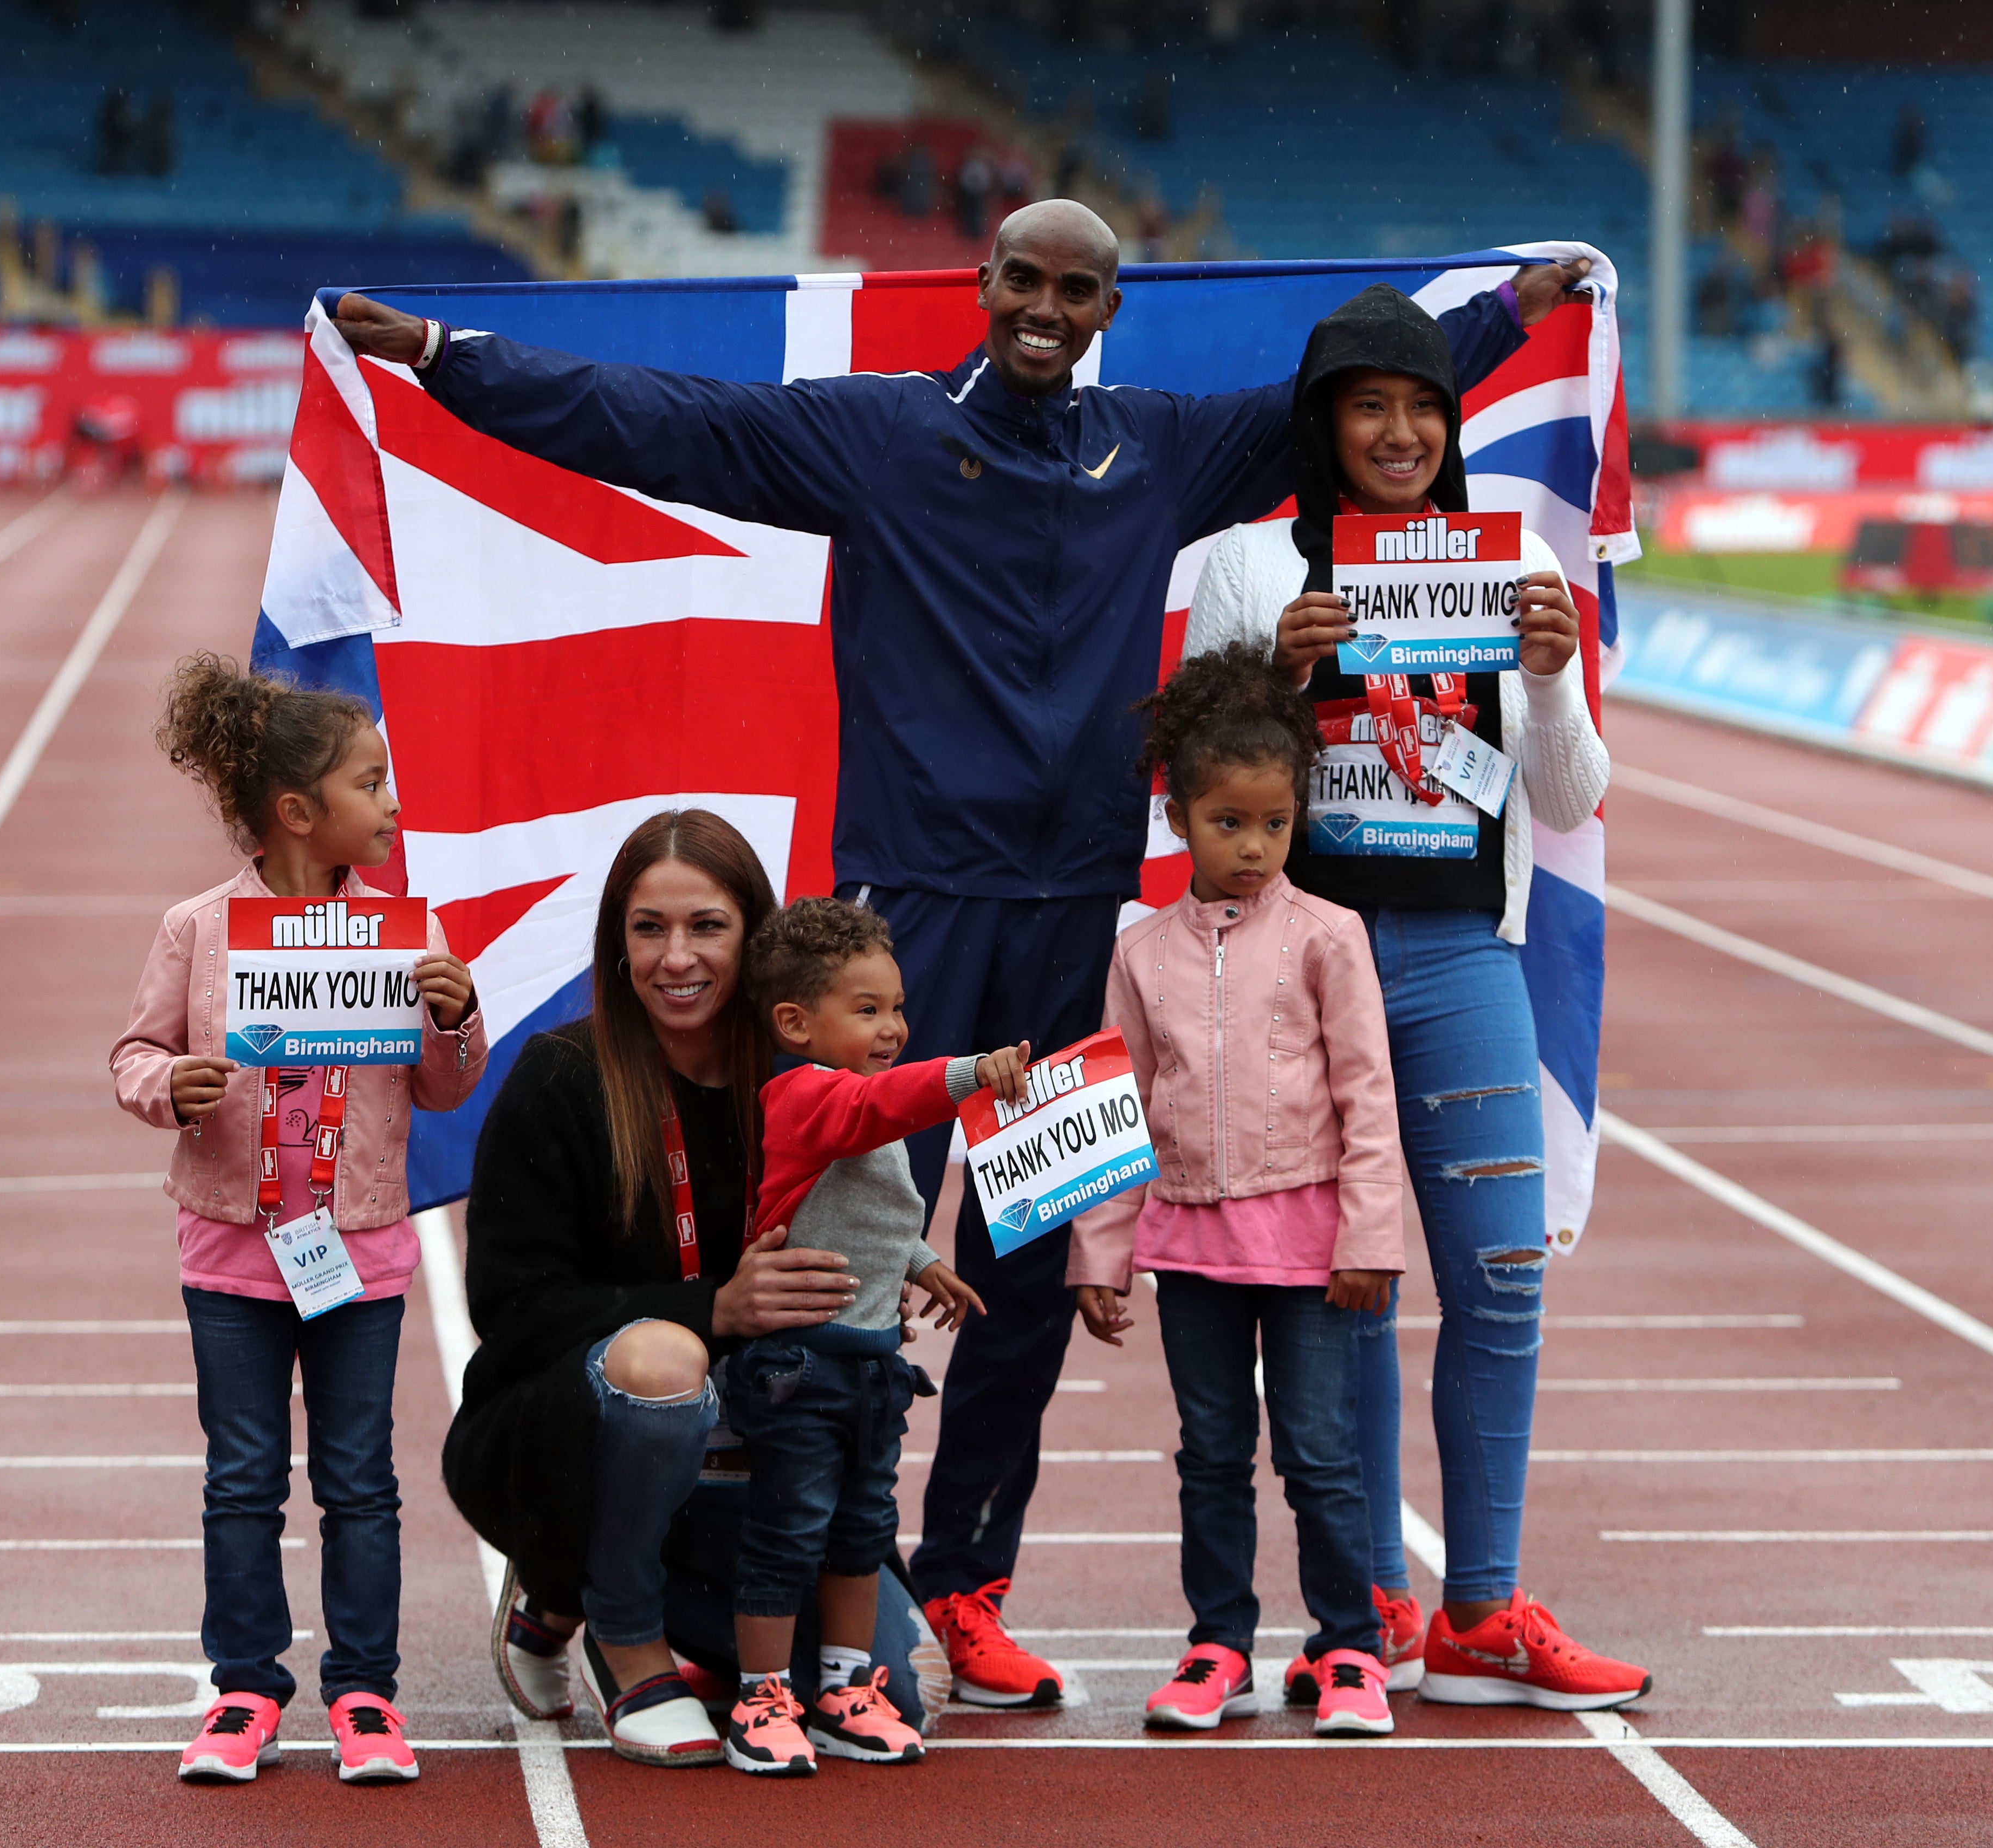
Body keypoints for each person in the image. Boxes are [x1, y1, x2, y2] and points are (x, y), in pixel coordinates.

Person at [332, 209, 1584, 1708]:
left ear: (1109, 305)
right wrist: (453, 363)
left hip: (1072, 923)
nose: (1045, 309)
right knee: (820, 1250)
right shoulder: (881, 434)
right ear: (984, 289)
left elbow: (1333, 402)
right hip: (901, 917)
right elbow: (664, 424)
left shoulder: (1161, 448)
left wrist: (1509, 313)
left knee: (1025, 1262)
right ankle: (685, 1560)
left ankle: (966, 1581)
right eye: (1023, 282)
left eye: (1075, 289)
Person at [1183, 284, 1647, 1711]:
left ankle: (1484, 1606)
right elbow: (1195, 780)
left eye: (1419, 406)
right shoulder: (1257, 565)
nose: (1395, 430)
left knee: (1502, 1274)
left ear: (1450, 426)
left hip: (1459, 956)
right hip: (1301, 960)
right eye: (1367, 405)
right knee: (1355, 1291)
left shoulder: (1505, 570)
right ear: (1324, 423)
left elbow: (1568, 797)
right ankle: (1374, 1588)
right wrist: (1280, 677)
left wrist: (1552, 677)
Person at [445, 811, 939, 1766]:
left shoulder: (815, 1079)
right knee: (663, 1360)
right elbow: (511, 1312)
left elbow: (874, 1228)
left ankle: (594, 1604)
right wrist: (713, 1309)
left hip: (768, 1437)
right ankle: (614, 1629)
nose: (678, 956)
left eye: (708, 926)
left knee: (891, 1685)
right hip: (565, 1432)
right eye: (648, 928)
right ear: (617, 943)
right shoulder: (561, 1076)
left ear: (756, 937)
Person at [111, 654, 489, 1785]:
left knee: (360, 1477)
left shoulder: (404, 937)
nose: (394, 803)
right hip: (230, 1250)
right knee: (241, 1474)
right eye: (373, 782)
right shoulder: (198, 929)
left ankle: (365, 1690)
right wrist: (160, 1084)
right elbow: (135, 1049)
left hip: (360, 1252)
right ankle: (244, 1687)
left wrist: (456, 1018)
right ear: (295, 812)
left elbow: (443, 1088)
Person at [1069, 640, 1408, 1740]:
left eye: (1273, 822)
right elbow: (1121, 1108)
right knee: (1211, 1450)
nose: (1254, 845)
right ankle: (1218, 1643)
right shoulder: (1142, 951)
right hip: (1191, 1250)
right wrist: (1100, 1255)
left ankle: (1349, 1644)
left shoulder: (1329, 936)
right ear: (1179, 815)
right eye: (1229, 822)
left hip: (1311, 1248)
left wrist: (1371, 1237)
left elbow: (1368, 1096)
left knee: (1319, 1449)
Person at [722, 897, 1016, 1775]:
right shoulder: (809, 1093)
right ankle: (762, 1691)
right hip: (798, 1367)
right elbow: (885, 1106)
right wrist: (969, 1072)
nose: (894, 1026)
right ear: (794, 1022)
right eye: (868, 1009)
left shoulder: (855, 1110)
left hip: (870, 1367)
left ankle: (847, 1688)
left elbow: (871, 1206)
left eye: (896, 1006)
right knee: (786, 1527)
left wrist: (924, 1262)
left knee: (859, 1529)